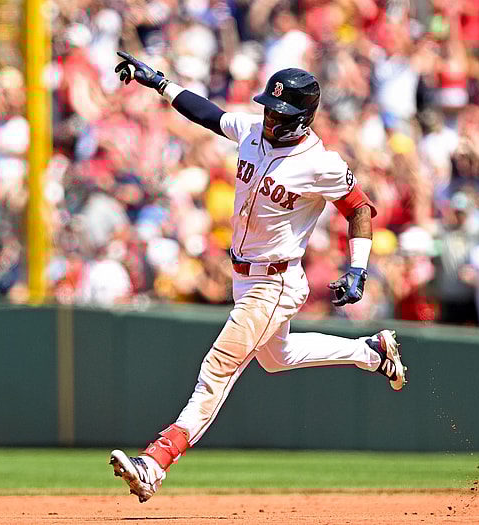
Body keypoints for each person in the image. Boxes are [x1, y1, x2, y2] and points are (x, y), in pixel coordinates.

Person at [108, 51, 409, 503]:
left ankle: (156, 462)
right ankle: (370, 351)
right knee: (277, 357)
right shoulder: (254, 131)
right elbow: (209, 115)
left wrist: (359, 267)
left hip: (276, 280)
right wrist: (160, 83)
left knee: (218, 367)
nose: (270, 115)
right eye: (269, 105)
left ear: (304, 118)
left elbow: (360, 208)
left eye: (281, 111)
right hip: (244, 276)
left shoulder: (320, 163)